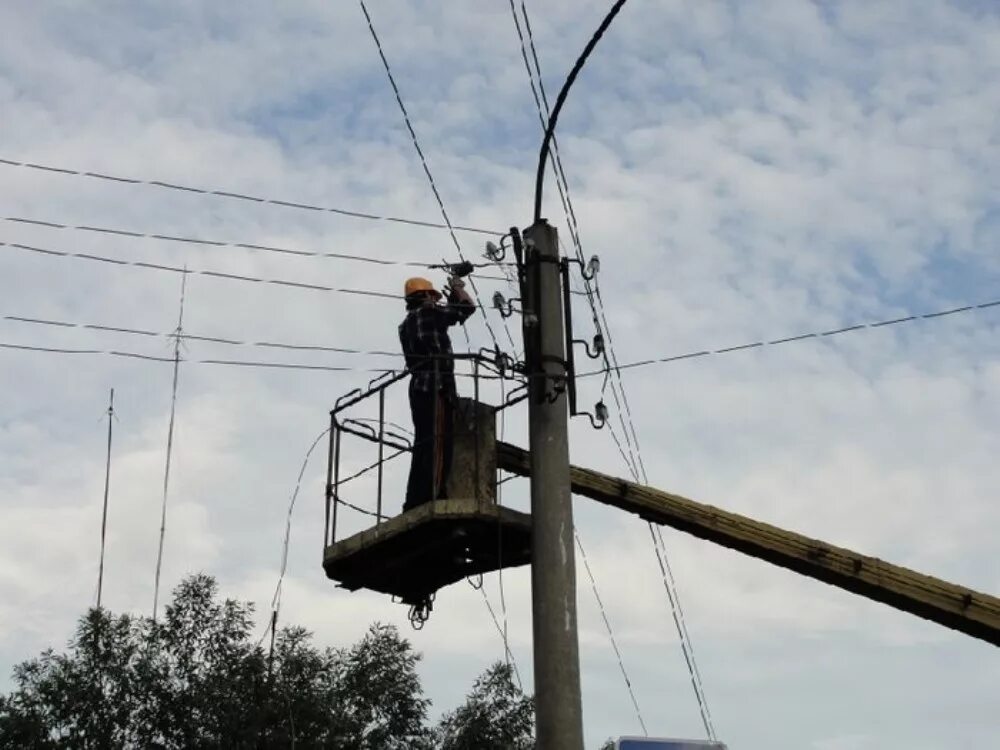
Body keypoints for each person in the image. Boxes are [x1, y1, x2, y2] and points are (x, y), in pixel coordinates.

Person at [398, 274, 476, 512]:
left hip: (418, 388)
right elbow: (466, 309)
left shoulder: (405, 324)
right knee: (440, 442)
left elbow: (448, 315)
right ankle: (435, 494)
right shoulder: (429, 314)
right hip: (436, 386)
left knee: (423, 443)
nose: (436, 300)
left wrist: (450, 298)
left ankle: (414, 499)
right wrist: (457, 287)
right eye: (434, 296)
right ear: (426, 296)